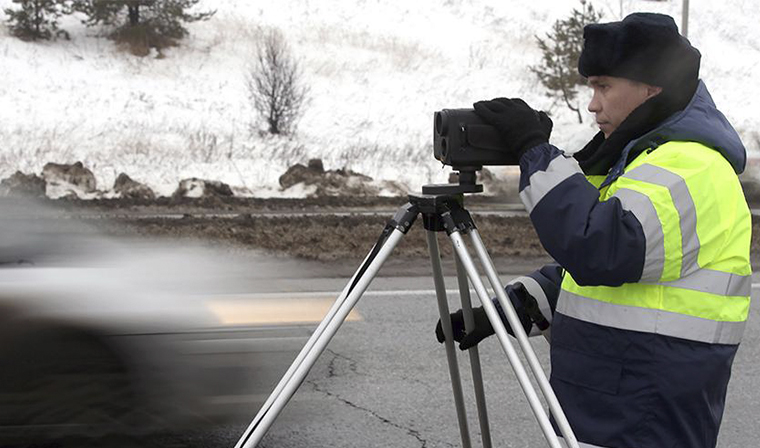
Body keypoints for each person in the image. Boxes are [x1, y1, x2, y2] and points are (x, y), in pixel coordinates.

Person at [436, 12, 751, 448]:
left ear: (652, 87)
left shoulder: (691, 166)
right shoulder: (644, 160)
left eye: (603, 87)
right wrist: (510, 309)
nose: (592, 104)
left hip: (643, 414)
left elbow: (600, 248)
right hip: (616, 401)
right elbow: (609, 283)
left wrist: (533, 150)